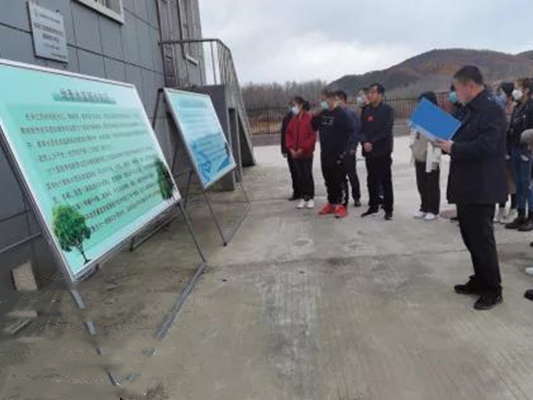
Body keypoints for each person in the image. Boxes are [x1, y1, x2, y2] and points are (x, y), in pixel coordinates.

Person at [436, 65, 507, 310]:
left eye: (457, 88)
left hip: (482, 185)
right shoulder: (469, 110)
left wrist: (453, 148)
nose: (455, 93)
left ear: (469, 86)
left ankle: (493, 289)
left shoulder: (491, 110)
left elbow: (487, 145)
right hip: (467, 184)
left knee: (482, 240)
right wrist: (444, 142)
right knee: (471, 238)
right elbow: (462, 138)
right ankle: (480, 280)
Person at [312, 90, 352, 219]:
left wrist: (344, 150)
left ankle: (342, 206)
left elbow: (349, 131)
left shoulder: (341, 114)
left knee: (339, 180)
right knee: (328, 179)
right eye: (322, 100)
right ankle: (331, 203)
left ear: (333, 100)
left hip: (338, 154)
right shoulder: (322, 113)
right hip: (325, 152)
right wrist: (315, 116)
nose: (323, 102)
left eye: (326, 99)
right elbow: (313, 127)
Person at [361, 83, 395, 220]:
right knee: (371, 180)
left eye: (373, 92)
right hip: (369, 153)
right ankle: (373, 206)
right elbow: (361, 130)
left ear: (380, 95)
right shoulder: (366, 111)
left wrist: (372, 142)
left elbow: (386, 130)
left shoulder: (388, 110)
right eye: (369, 92)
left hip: (383, 151)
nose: (370, 95)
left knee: (386, 181)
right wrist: (364, 142)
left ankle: (388, 209)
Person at [504, 78, 533, 231]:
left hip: (526, 150)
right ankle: (521, 215)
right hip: (515, 148)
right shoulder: (519, 107)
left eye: (518, 88)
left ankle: (531, 217)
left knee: (527, 184)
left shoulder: (531, 107)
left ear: (526, 90)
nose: (516, 91)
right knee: (519, 184)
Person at [410, 92, 442, 221]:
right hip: (419, 154)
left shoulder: (438, 117)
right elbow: (413, 134)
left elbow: (440, 138)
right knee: (421, 183)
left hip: (431, 155)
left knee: (432, 183)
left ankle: (433, 209)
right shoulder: (418, 117)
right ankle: (423, 207)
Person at [285, 97, 317, 210]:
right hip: (295, 154)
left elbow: (312, 136)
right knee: (300, 176)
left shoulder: (309, 118)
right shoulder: (294, 120)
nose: (293, 107)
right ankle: (304, 197)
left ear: (301, 105)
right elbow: (288, 134)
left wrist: (302, 148)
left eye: (295, 105)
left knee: (307, 175)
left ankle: (311, 197)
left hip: (306, 153)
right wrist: (291, 148)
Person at [494, 82, 517, 224]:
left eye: (501, 91)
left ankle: (513, 209)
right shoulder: (498, 107)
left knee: (512, 181)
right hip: (499, 148)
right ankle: (501, 209)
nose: (499, 94)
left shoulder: (515, 107)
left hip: (511, 147)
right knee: (500, 181)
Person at [335, 90, 362, 207]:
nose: (335, 102)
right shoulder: (335, 114)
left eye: (337, 100)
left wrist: (353, 147)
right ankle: (343, 198)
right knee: (340, 176)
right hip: (338, 151)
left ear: (343, 100)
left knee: (352, 175)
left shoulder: (351, 114)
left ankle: (356, 197)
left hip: (349, 150)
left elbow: (356, 132)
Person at [281, 100, 301, 201]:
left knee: (302, 171)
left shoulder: (302, 116)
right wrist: (284, 150)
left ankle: (305, 192)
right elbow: (283, 134)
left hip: (301, 149)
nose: (293, 107)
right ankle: (296, 192)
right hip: (290, 149)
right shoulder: (286, 118)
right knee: (293, 171)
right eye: (292, 105)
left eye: (295, 105)